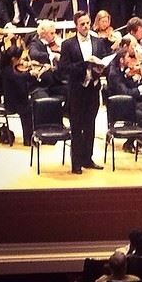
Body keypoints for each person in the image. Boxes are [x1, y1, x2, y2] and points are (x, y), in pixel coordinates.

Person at [59, 11, 108, 174]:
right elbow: (64, 68)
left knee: (90, 126)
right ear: (76, 25)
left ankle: (88, 158)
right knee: (77, 127)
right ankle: (76, 162)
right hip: (77, 90)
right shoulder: (68, 44)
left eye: (87, 23)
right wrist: (84, 64)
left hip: (93, 89)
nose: (86, 26)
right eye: (82, 24)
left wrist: (100, 68)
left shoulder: (98, 42)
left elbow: (104, 62)